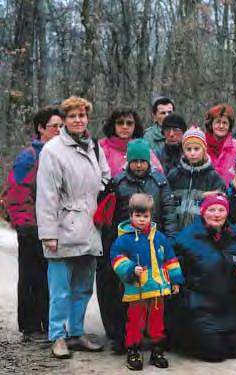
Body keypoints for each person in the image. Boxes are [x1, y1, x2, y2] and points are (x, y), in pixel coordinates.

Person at [36, 96, 110, 358]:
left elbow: (105, 175)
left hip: (90, 226)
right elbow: (46, 195)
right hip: (63, 226)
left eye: (82, 115)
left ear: (87, 118)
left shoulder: (93, 146)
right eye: (72, 116)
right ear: (65, 120)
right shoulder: (53, 150)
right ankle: (57, 336)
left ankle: (76, 332)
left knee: (83, 287)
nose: (78, 120)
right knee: (60, 289)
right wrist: (48, 234)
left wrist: (98, 194)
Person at [104, 138, 178, 352]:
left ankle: (155, 338)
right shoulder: (118, 182)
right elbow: (112, 213)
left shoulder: (159, 181)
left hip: (155, 242)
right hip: (127, 243)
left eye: (142, 161)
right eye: (134, 161)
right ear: (128, 161)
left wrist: (170, 238)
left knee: (155, 294)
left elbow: (169, 209)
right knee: (128, 294)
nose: (138, 165)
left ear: (148, 161)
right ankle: (125, 338)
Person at [5, 106, 62, 343]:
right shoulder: (30, 156)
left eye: (61, 126)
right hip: (31, 226)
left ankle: (49, 325)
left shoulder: (60, 154)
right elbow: (16, 193)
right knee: (31, 277)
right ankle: (30, 327)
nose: (59, 130)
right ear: (41, 128)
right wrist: (26, 225)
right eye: (54, 126)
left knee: (50, 279)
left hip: (54, 225)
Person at [170, 194, 236, 362]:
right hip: (200, 305)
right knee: (215, 353)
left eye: (221, 210)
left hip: (227, 305)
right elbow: (177, 274)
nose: (216, 214)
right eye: (211, 210)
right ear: (202, 212)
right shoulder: (186, 239)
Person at [110, 193, 184, 370]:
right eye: (138, 216)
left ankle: (157, 350)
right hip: (137, 289)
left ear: (151, 216)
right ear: (130, 216)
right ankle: (133, 350)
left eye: (145, 216)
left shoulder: (159, 237)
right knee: (135, 320)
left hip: (158, 289)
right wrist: (129, 269)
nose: (142, 220)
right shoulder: (124, 239)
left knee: (157, 321)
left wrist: (175, 280)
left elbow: (170, 259)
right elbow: (116, 258)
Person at [167, 127, 226, 230]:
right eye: (188, 149)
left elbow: (220, 210)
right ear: (183, 151)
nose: (192, 153)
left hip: (202, 236)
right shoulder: (174, 176)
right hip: (175, 233)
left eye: (196, 149)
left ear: (204, 149)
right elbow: (166, 207)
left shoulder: (214, 178)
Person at [99, 108, 163, 177]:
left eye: (129, 123)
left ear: (135, 126)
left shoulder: (142, 147)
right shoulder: (101, 147)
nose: (125, 127)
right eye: (120, 123)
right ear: (113, 125)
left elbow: (159, 175)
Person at [203, 103, 236, 186]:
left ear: (229, 126)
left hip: (232, 195)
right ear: (211, 124)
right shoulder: (201, 146)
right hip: (205, 195)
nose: (221, 126)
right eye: (218, 122)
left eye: (225, 123)